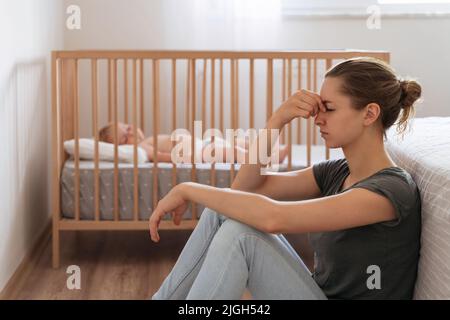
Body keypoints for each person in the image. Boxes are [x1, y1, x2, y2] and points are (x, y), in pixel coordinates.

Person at [149, 57, 422, 300]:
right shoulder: (336, 172)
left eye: (329, 108)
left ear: (370, 114)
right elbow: (246, 188)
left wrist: (187, 188)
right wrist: (276, 121)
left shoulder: (390, 190)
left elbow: (273, 218)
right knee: (220, 212)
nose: (317, 119)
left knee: (240, 235)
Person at [98, 122, 288, 164]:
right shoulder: (140, 148)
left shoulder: (145, 140)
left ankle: (268, 147)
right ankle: (267, 160)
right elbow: (161, 156)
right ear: (121, 147)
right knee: (234, 150)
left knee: (240, 141)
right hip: (198, 153)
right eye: (125, 136)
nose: (131, 131)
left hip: (202, 144)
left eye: (127, 127)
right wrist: (185, 159)